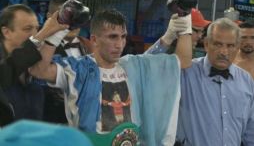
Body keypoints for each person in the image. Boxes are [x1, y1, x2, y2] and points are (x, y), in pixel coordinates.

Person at [30, 9, 192, 146]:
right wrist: (55, 36)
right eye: (113, 37)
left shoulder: (132, 66)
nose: (119, 44)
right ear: (94, 39)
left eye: (123, 37)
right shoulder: (79, 69)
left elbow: (182, 61)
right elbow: (39, 70)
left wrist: (184, 27)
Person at [176, 18, 254, 146]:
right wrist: (166, 40)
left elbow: (251, 132)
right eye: (218, 44)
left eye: (230, 46)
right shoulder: (187, 73)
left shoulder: (246, 81)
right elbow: (144, 72)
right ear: (206, 44)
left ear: (237, 47)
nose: (224, 52)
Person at [0, 4, 67, 126]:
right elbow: (8, 70)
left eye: (37, 28)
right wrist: (43, 34)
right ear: (6, 32)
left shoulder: (39, 66)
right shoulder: (8, 69)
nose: (35, 33)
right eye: (27, 29)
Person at [42, 0, 92, 124]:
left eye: (77, 16)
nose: (72, 22)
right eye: (67, 16)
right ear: (49, 17)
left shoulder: (92, 47)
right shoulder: (39, 51)